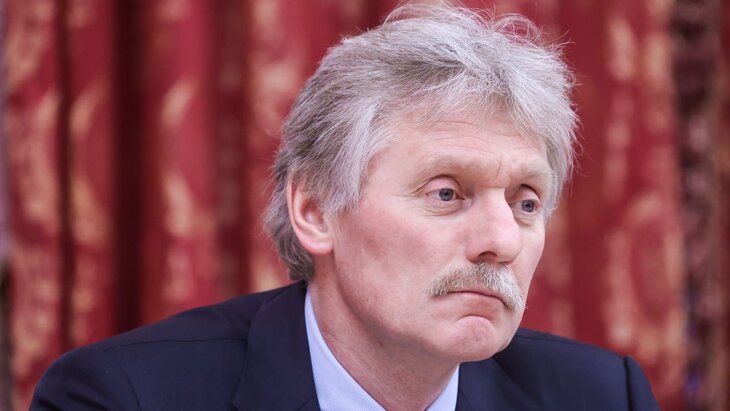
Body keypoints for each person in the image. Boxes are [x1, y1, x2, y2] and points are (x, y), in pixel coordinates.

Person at [31, 4, 660, 410]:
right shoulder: (124, 397)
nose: (502, 239)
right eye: (446, 193)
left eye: (526, 202)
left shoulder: (602, 396)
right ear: (314, 210)